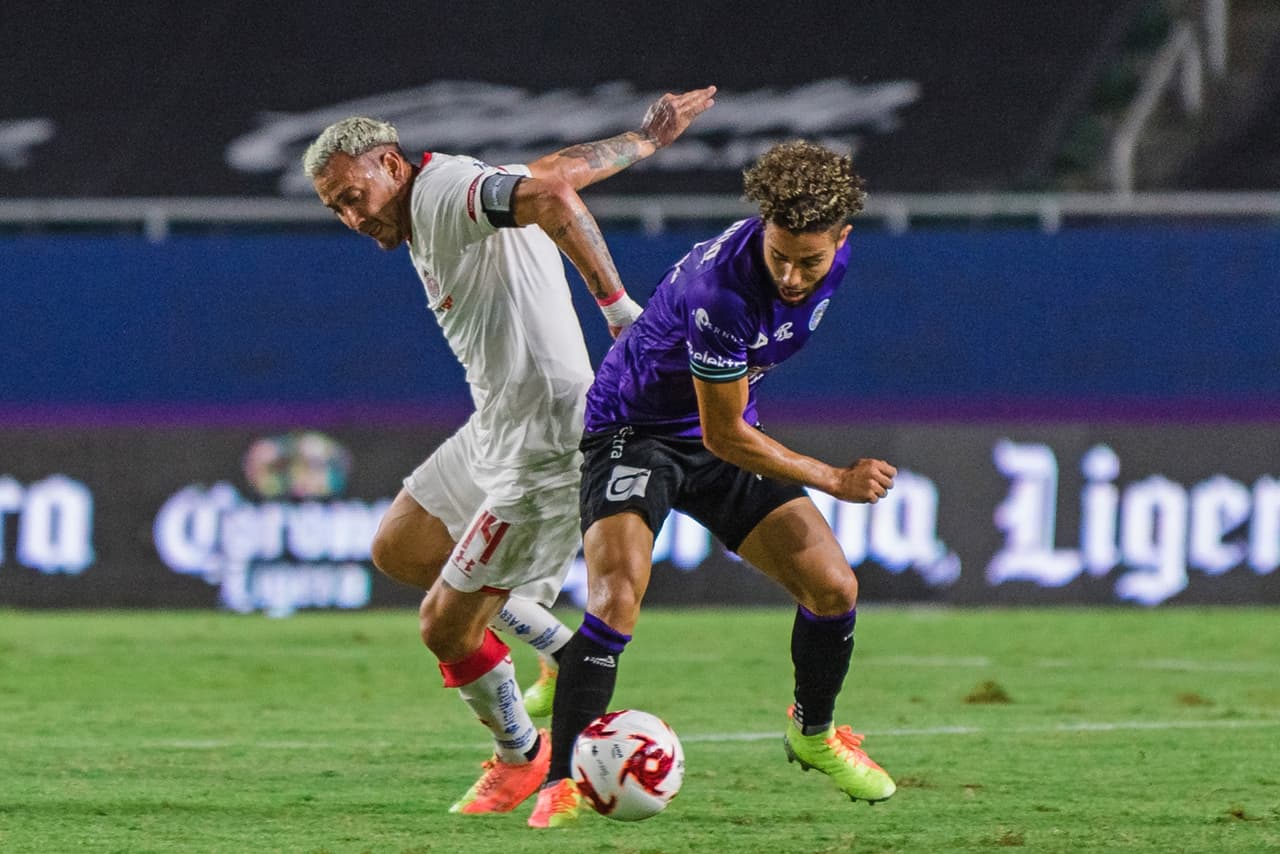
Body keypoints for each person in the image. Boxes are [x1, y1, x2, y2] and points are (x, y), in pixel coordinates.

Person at [300, 85, 717, 816]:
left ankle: (523, 755)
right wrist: (645, 140)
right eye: (336, 207)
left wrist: (620, 309)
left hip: (547, 444)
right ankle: (558, 649)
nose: (352, 216)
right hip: (496, 426)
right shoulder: (453, 190)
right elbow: (559, 170)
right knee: (402, 547)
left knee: (444, 624)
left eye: (353, 194)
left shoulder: (441, 195)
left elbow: (553, 193)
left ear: (390, 164)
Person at [529, 140, 897, 828]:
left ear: (841, 240)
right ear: (762, 230)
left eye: (809, 260)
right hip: (636, 430)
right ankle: (561, 782)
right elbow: (723, 435)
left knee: (834, 587)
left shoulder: (833, 258)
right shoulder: (722, 292)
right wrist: (834, 479)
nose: (791, 275)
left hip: (725, 429)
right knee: (616, 597)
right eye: (779, 255)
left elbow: (728, 428)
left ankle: (813, 734)